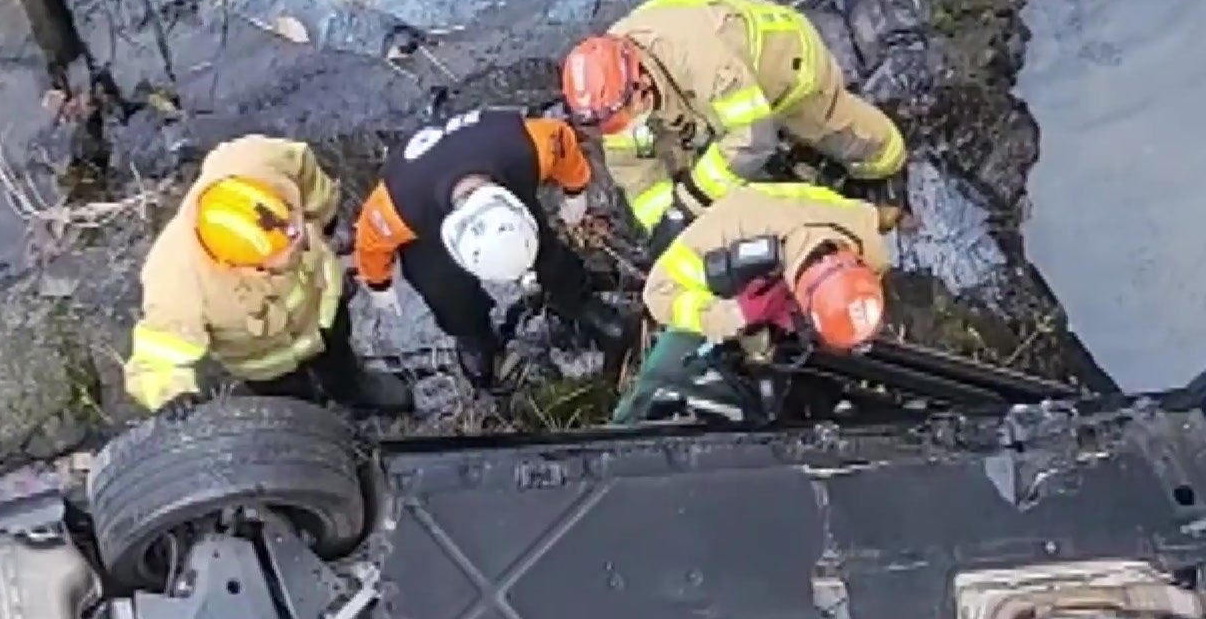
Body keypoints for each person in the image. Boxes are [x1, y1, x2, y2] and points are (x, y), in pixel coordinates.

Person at [561, 0, 907, 252]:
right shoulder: (614, 96)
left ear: (639, 81)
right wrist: (664, 224)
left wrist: (688, 202)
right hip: (701, 99)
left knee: (836, 127)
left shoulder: (696, 55)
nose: (622, 129)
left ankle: (887, 167)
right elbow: (634, 169)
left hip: (785, 69)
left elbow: (753, 136)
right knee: (681, 158)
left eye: (625, 116)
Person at [123, 135, 413, 417]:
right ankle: (307, 417)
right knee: (290, 403)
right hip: (265, 359)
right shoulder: (177, 282)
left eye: (295, 233)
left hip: (320, 304)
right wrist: (169, 393)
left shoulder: (258, 161)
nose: (297, 245)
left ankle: (353, 388)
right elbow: (156, 357)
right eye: (278, 259)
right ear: (234, 262)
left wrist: (325, 215)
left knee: (338, 352)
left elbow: (302, 165)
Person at [353, 107, 631, 387]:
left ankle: (577, 299)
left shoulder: (523, 147)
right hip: (429, 229)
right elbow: (370, 240)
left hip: (499, 181)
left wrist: (575, 188)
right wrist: (379, 284)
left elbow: (561, 140)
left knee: (547, 255)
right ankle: (474, 337)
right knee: (446, 293)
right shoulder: (400, 204)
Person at [611, 183, 893, 424]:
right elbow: (657, 294)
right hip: (722, 303)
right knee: (663, 379)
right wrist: (734, 315)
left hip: (787, 299)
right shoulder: (733, 227)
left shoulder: (866, 241)